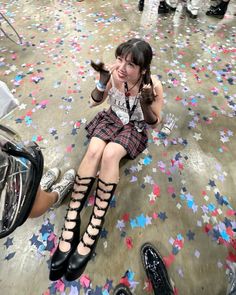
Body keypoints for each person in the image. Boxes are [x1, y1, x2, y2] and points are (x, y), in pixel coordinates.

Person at [49, 38, 164, 281]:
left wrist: (144, 100)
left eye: (131, 64)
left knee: (110, 154)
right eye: (120, 59)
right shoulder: (114, 74)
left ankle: (95, 223)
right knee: (93, 150)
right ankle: (72, 218)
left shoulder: (153, 85)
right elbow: (95, 100)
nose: (122, 67)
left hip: (134, 127)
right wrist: (103, 81)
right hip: (111, 118)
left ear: (143, 69)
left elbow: (154, 123)